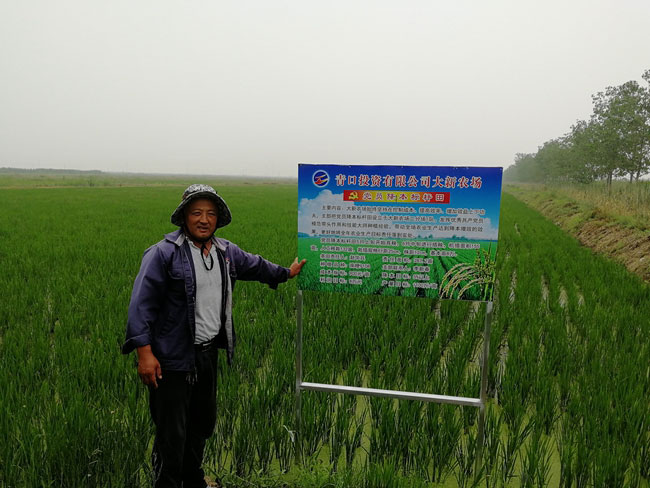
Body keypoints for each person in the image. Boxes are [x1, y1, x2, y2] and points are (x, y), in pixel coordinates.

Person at [122, 184, 305, 488]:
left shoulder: (225, 252)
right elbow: (141, 305)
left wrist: (285, 273)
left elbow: (255, 266)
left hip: (207, 355)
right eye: (196, 213)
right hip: (171, 360)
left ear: (218, 218)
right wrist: (144, 353)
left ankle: (193, 481)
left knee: (201, 424)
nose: (204, 219)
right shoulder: (163, 254)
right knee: (172, 432)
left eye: (210, 213)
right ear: (184, 216)